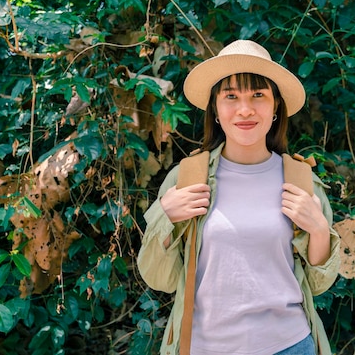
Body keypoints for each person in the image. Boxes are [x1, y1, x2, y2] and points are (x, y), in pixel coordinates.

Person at [137, 39, 341, 355]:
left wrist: (317, 231)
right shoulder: (186, 178)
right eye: (230, 96)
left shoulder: (301, 180)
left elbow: (317, 284)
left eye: (258, 95)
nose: (245, 109)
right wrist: (165, 217)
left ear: (275, 107)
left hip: (288, 345)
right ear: (216, 110)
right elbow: (160, 279)